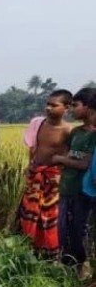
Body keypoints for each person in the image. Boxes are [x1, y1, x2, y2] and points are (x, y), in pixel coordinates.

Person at [18, 90, 73, 258]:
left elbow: (70, 156)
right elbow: (33, 147)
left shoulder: (69, 131)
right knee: (29, 212)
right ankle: (29, 248)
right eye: (47, 104)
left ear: (66, 108)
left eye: (54, 105)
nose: (48, 108)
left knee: (50, 216)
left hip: (53, 179)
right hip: (36, 175)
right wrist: (30, 166)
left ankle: (51, 254)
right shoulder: (38, 123)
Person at [54, 88, 96, 269]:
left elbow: (85, 164)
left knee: (80, 228)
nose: (72, 110)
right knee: (63, 227)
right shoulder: (75, 132)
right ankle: (67, 261)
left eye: (76, 105)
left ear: (88, 108)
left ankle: (82, 265)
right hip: (66, 187)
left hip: (82, 190)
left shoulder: (93, 135)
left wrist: (60, 159)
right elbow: (69, 154)